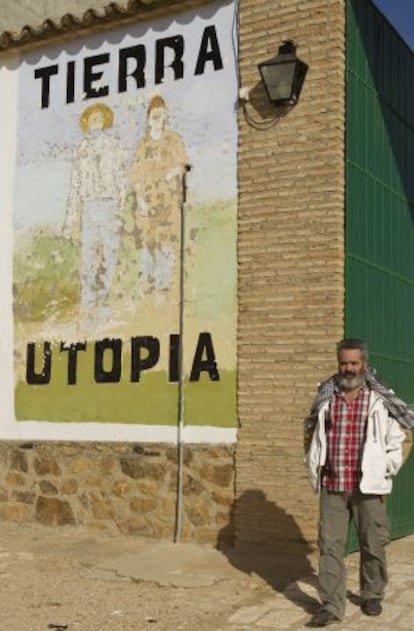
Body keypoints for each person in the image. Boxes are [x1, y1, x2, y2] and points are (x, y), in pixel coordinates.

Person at [304, 338, 413, 627]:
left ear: (363, 363)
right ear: (338, 363)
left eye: (354, 363)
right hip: (333, 485)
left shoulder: (379, 399)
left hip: (369, 487)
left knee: (373, 543)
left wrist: (385, 468)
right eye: (344, 363)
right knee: (329, 546)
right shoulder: (327, 397)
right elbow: (311, 433)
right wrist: (314, 464)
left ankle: (372, 593)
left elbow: (401, 439)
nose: (348, 368)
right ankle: (331, 604)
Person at [63, 102, 127, 326]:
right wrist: (70, 220)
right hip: (89, 207)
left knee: (109, 256)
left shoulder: (114, 147)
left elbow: (121, 182)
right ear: (86, 123)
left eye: (100, 119)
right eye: (92, 119)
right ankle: (88, 305)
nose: (96, 123)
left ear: (105, 121)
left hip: (109, 206)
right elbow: (75, 184)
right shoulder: (81, 150)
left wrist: (119, 212)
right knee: (88, 258)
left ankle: (104, 303)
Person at [128, 95, 189, 301]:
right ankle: (147, 284)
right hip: (147, 202)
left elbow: (183, 165)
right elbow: (135, 173)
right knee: (147, 244)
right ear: (148, 118)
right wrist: (140, 199)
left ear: (165, 116)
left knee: (165, 243)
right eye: (153, 113)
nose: (157, 116)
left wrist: (173, 172)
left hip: (168, 201)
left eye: (160, 112)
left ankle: (163, 288)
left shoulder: (173, 140)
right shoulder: (142, 145)